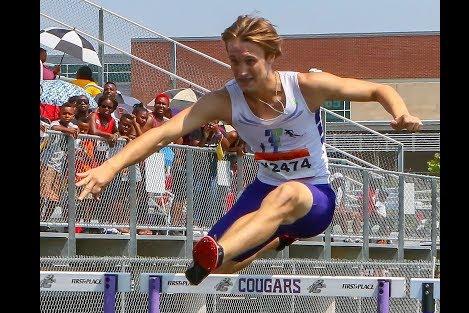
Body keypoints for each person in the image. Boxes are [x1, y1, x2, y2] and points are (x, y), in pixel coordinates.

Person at [76, 15, 422, 285]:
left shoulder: (307, 87)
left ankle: (237, 243)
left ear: (271, 57)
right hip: (262, 191)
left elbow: (378, 89)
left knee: (287, 195)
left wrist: (401, 113)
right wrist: (109, 167)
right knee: (210, 269)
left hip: (313, 196)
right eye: (233, 61)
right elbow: (162, 133)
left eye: (250, 61)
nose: (241, 71)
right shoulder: (225, 101)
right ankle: (270, 241)